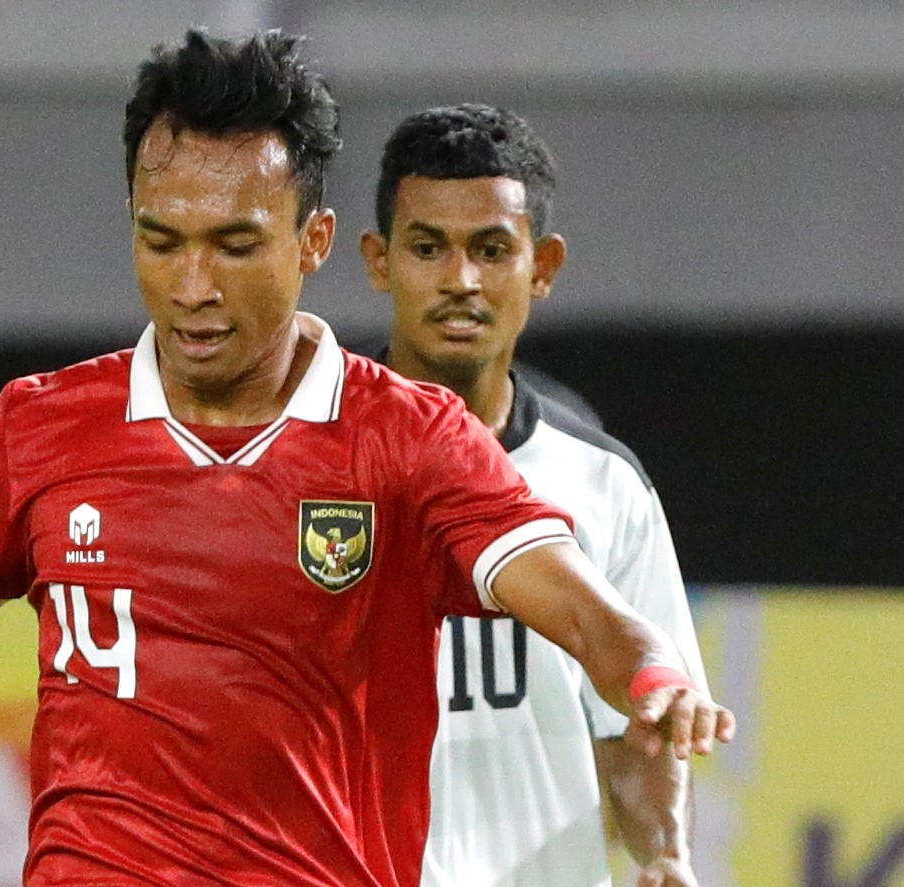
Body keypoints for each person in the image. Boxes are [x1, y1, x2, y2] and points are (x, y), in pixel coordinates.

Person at [0, 33, 733, 887]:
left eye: (233, 244)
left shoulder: (411, 438)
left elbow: (584, 610)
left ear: (312, 241)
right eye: (161, 240)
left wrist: (650, 673)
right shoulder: (38, 429)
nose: (192, 285)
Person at [359, 104, 709, 887]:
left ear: (542, 266)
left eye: (491, 250)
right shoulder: (310, 465)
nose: (460, 281)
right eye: (428, 248)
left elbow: (636, 731)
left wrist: (665, 851)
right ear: (380, 261)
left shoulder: (604, 484)